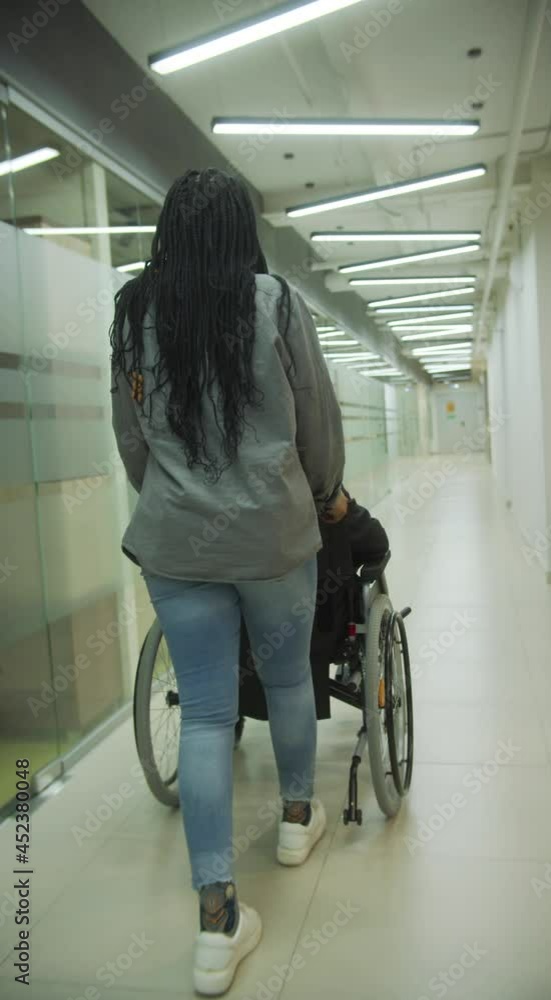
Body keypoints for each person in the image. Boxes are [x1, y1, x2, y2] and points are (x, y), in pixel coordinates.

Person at [110, 168, 346, 996]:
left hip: (176, 543)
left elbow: (131, 432)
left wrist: (172, 498)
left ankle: (215, 925)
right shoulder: (274, 301)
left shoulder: (135, 310)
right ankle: (292, 823)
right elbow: (313, 412)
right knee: (287, 678)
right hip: (274, 535)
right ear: (239, 229)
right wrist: (322, 494)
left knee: (207, 714)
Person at [238, 489, 389, 724]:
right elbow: (377, 544)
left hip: (240, 636)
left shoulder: (230, 510)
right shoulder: (327, 500)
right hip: (319, 636)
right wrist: (346, 509)